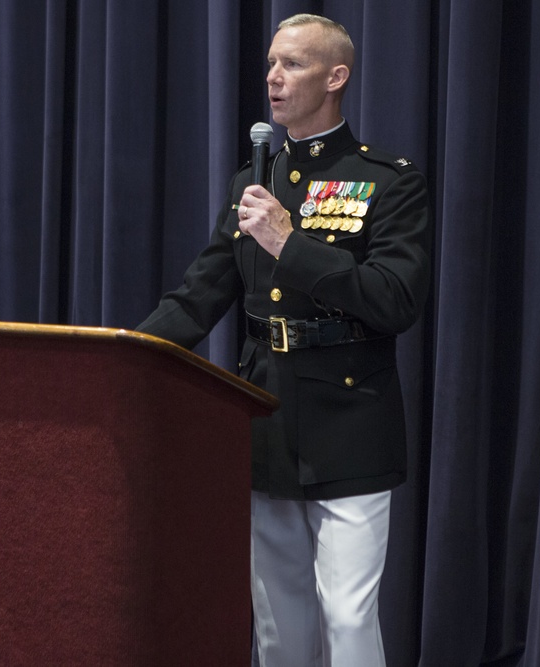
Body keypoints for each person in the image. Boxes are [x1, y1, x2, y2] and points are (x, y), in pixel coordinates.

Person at [136, 14, 430, 667]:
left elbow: (395, 299)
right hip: (266, 417)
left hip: (351, 419)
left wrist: (290, 245)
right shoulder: (254, 180)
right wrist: (125, 357)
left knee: (348, 615)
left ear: (336, 76)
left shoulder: (387, 179)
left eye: (292, 64)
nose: (273, 77)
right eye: (271, 63)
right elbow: (201, 295)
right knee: (277, 618)